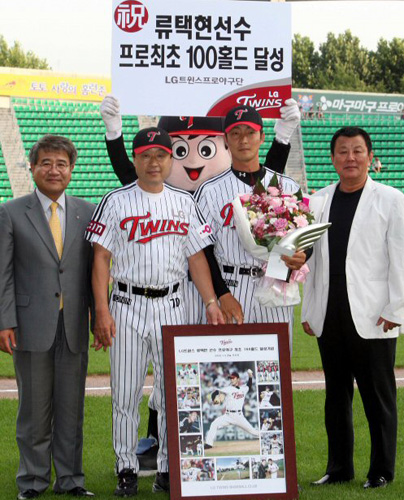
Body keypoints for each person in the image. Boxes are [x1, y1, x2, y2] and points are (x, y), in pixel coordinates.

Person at [85, 127, 224, 497]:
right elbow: (100, 257)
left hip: (173, 305)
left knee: (172, 394)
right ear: (134, 159)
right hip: (127, 305)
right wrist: (101, 309)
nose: (153, 162)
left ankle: (166, 468)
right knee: (126, 394)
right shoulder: (115, 200)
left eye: (160, 155)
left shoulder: (183, 202)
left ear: (170, 159)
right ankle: (126, 468)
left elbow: (197, 257)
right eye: (145, 155)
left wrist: (211, 301)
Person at [301, 126, 404, 489]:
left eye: (357, 151)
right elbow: (309, 262)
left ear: (370, 156)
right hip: (329, 315)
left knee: (378, 396)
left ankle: (380, 471)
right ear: (332, 158)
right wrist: (309, 311)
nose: (350, 158)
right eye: (342, 151)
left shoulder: (392, 199)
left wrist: (396, 308)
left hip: (375, 314)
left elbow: (401, 259)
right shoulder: (316, 202)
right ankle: (339, 467)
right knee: (336, 396)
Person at [0, 135, 95, 499]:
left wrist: (97, 317)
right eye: (46, 163)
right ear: (33, 167)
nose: (54, 170)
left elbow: (93, 270)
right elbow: (3, 273)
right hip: (29, 325)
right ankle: (33, 481)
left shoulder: (87, 212)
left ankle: (71, 480)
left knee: (71, 410)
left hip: (72, 325)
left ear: (71, 170)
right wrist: (4, 321)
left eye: (61, 164)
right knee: (34, 412)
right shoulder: (11, 212)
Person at [194, 105, 307, 340]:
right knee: (229, 371)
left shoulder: (289, 187)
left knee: (276, 369)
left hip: (277, 286)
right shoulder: (209, 190)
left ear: (262, 137)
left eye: (250, 132)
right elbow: (203, 251)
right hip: (231, 284)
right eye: (235, 133)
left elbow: (304, 238)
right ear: (226, 140)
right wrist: (222, 294)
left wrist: (303, 254)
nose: (243, 140)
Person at [204, 370, 258, 449]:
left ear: (238, 379)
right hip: (228, 416)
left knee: (254, 432)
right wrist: (214, 399)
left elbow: (249, 386)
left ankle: (263, 435)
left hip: (239, 416)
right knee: (214, 424)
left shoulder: (243, 389)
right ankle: (209, 444)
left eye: (233, 378)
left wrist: (250, 376)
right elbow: (216, 391)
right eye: (231, 378)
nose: (232, 380)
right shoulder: (228, 388)